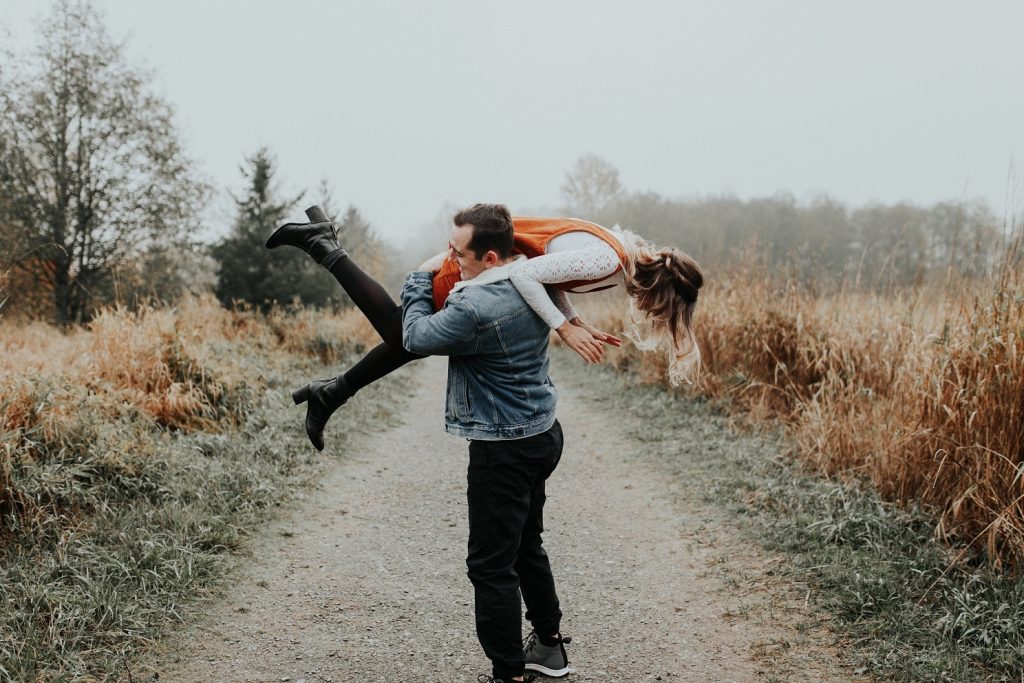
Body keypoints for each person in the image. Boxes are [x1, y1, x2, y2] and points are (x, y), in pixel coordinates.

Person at [267, 204, 703, 451]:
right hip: (484, 264)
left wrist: (570, 318)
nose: (651, 313)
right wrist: (563, 329)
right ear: (663, 294)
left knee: (406, 337)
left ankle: (333, 391)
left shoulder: (617, 255)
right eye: (662, 310)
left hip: (495, 264)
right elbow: (529, 275)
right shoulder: (609, 261)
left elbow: (545, 270)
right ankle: (322, 244)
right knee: (402, 332)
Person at [400, 203, 568, 681]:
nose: (450, 261)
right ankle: (550, 646)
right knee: (525, 544)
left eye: (458, 254)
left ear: (491, 257)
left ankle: (508, 673)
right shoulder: (529, 281)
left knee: (490, 566)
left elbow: (414, 336)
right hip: (542, 433)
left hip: (504, 450)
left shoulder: (475, 306)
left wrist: (417, 278)